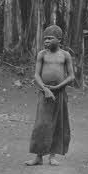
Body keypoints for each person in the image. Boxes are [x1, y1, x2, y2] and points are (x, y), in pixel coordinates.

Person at [26, 25, 74, 166]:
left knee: (58, 124)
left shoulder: (65, 55)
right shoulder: (42, 54)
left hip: (59, 94)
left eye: (50, 38)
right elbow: (36, 75)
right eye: (45, 38)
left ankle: (52, 156)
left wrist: (58, 87)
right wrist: (45, 89)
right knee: (41, 124)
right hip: (44, 93)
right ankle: (38, 157)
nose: (46, 41)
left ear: (59, 40)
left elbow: (71, 76)